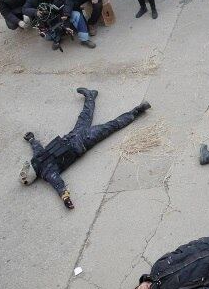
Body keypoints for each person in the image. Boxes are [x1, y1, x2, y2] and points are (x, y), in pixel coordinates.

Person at [19, 88, 150, 208]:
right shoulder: (47, 173)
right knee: (112, 126)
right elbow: (58, 184)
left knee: (85, 116)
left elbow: (37, 148)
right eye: (25, 172)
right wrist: (66, 199)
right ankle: (137, 111)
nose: (25, 168)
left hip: (73, 135)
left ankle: (90, 96)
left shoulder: (36, 159)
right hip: (85, 140)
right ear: (30, 176)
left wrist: (31, 139)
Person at [23, 0, 95, 49]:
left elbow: (66, 5)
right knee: (48, 37)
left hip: (62, 14)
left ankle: (84, 39)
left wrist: (66, 23)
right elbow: (25, 9)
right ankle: (57, 39)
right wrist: (36, 12)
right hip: (49, 20)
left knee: (76, 15)